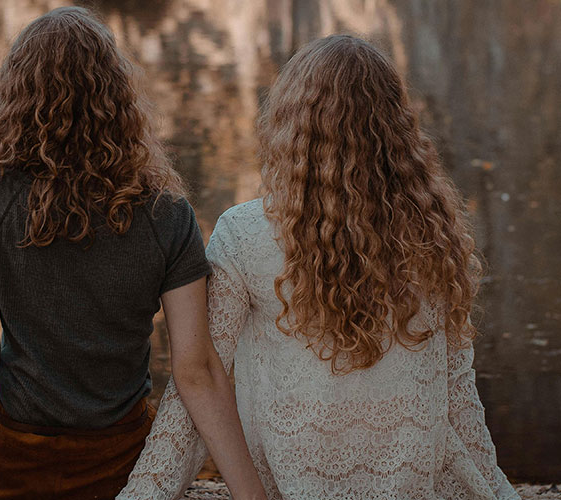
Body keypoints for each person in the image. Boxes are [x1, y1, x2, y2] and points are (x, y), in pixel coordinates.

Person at [117, 35, 520, 499]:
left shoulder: (245, 233)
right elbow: (459, 398)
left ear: (290, 124)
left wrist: (145, 493)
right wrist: (492, 486)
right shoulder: (433, 231)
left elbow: (199, 376)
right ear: (395, 128)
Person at [0, 7, 266, 500]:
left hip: (13, 465)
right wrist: (253, 495)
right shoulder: (166, 212)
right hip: (118, 464)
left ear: (16, 94)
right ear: (117, 96)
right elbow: (196, 369)